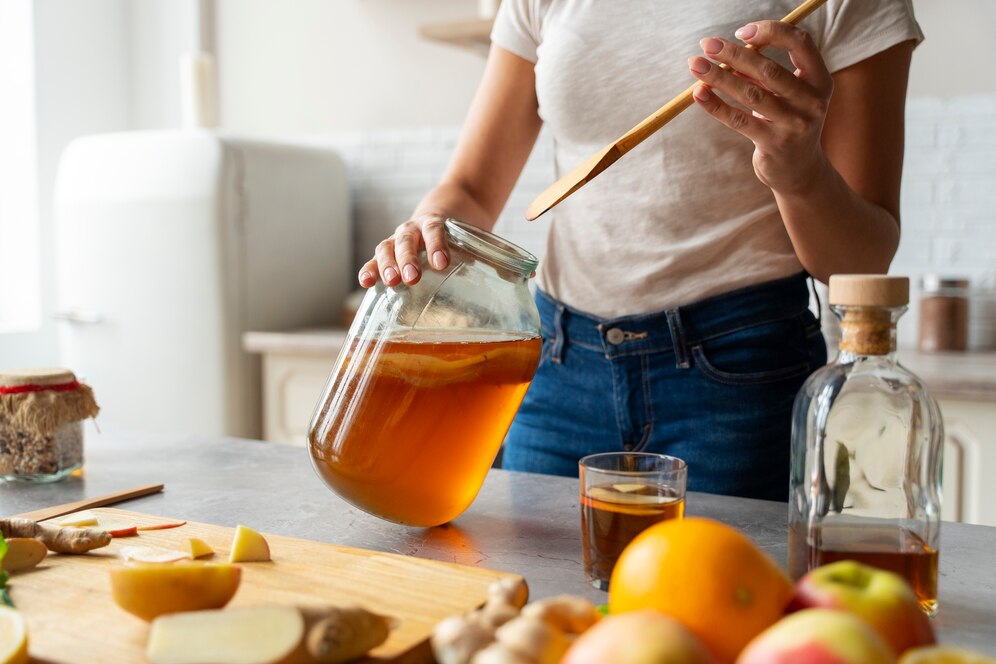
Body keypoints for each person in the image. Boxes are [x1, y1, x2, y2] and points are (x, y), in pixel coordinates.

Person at [357, 0, 923, 501]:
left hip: (738, 374)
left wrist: (801, 175)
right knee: (539, 610)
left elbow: (860, 266)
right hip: (555, 367)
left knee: (719, 616)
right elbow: (473, 190)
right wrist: (431, 223)